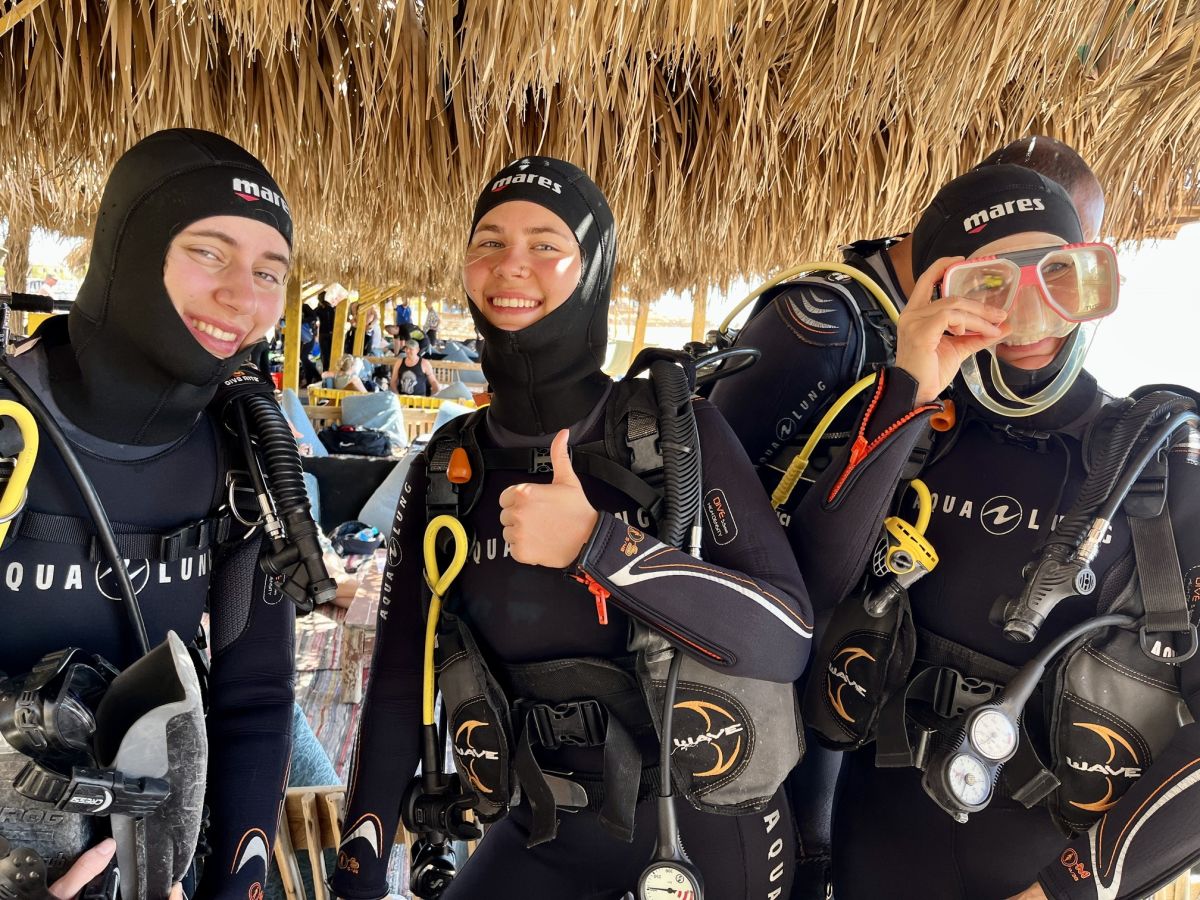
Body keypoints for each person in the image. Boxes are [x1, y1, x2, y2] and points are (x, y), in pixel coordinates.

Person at [332, 157, 814, 899]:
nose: (510, 264)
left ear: (593, 271)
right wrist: (357, 874)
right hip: (541, 829)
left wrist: (600, 547)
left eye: (545, 244)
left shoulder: (676, 433)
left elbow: (785, 638)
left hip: (700, 833)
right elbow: (400, 680)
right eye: (489, 242)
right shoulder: (447, 466)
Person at [790, 164, 1200, 899]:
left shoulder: (1162, 472)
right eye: (989, 285)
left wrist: (1068, 889)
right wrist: (908, 391)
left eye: (1058, 275)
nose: (1030, 316)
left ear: (1091, 283)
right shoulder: (912, 442)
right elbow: (812, 589)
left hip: (1051, 874)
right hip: (873, 856)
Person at [0, 129, 298, 899]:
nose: (244, 296)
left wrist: (233, 888)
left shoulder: (241, 459)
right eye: (209, 252)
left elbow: (256, 698)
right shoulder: (8, 433)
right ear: (128, 249)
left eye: (270, 271)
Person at [709, 136, 1104, 505]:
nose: (1044, 302)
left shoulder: (971, 315)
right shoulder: (821, 321)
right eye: (1057, 261)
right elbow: (705, 482)